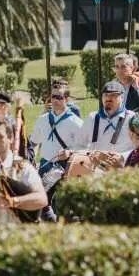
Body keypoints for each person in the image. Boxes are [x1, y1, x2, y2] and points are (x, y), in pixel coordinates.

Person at [29, 84, 85, 221]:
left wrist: (70, 152)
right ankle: (53, 225)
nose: (55, 100)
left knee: (65, 206)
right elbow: (33, 142)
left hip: (66, 167)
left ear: (66, 99)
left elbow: (86, 147)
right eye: (53, 96)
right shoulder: (43, 120)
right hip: (46, 165)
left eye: (59, 97)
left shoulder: (76, 122)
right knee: (39, 202)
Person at [83, 82, 137, 168]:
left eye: (113, 95)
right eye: (106, 95)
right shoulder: (91, 117)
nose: (108, 98)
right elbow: (80, 144)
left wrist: (123, 157)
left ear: (122, 97)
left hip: (121, 171)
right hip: (94, 171)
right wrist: (89, 153)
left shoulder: (133, 119)